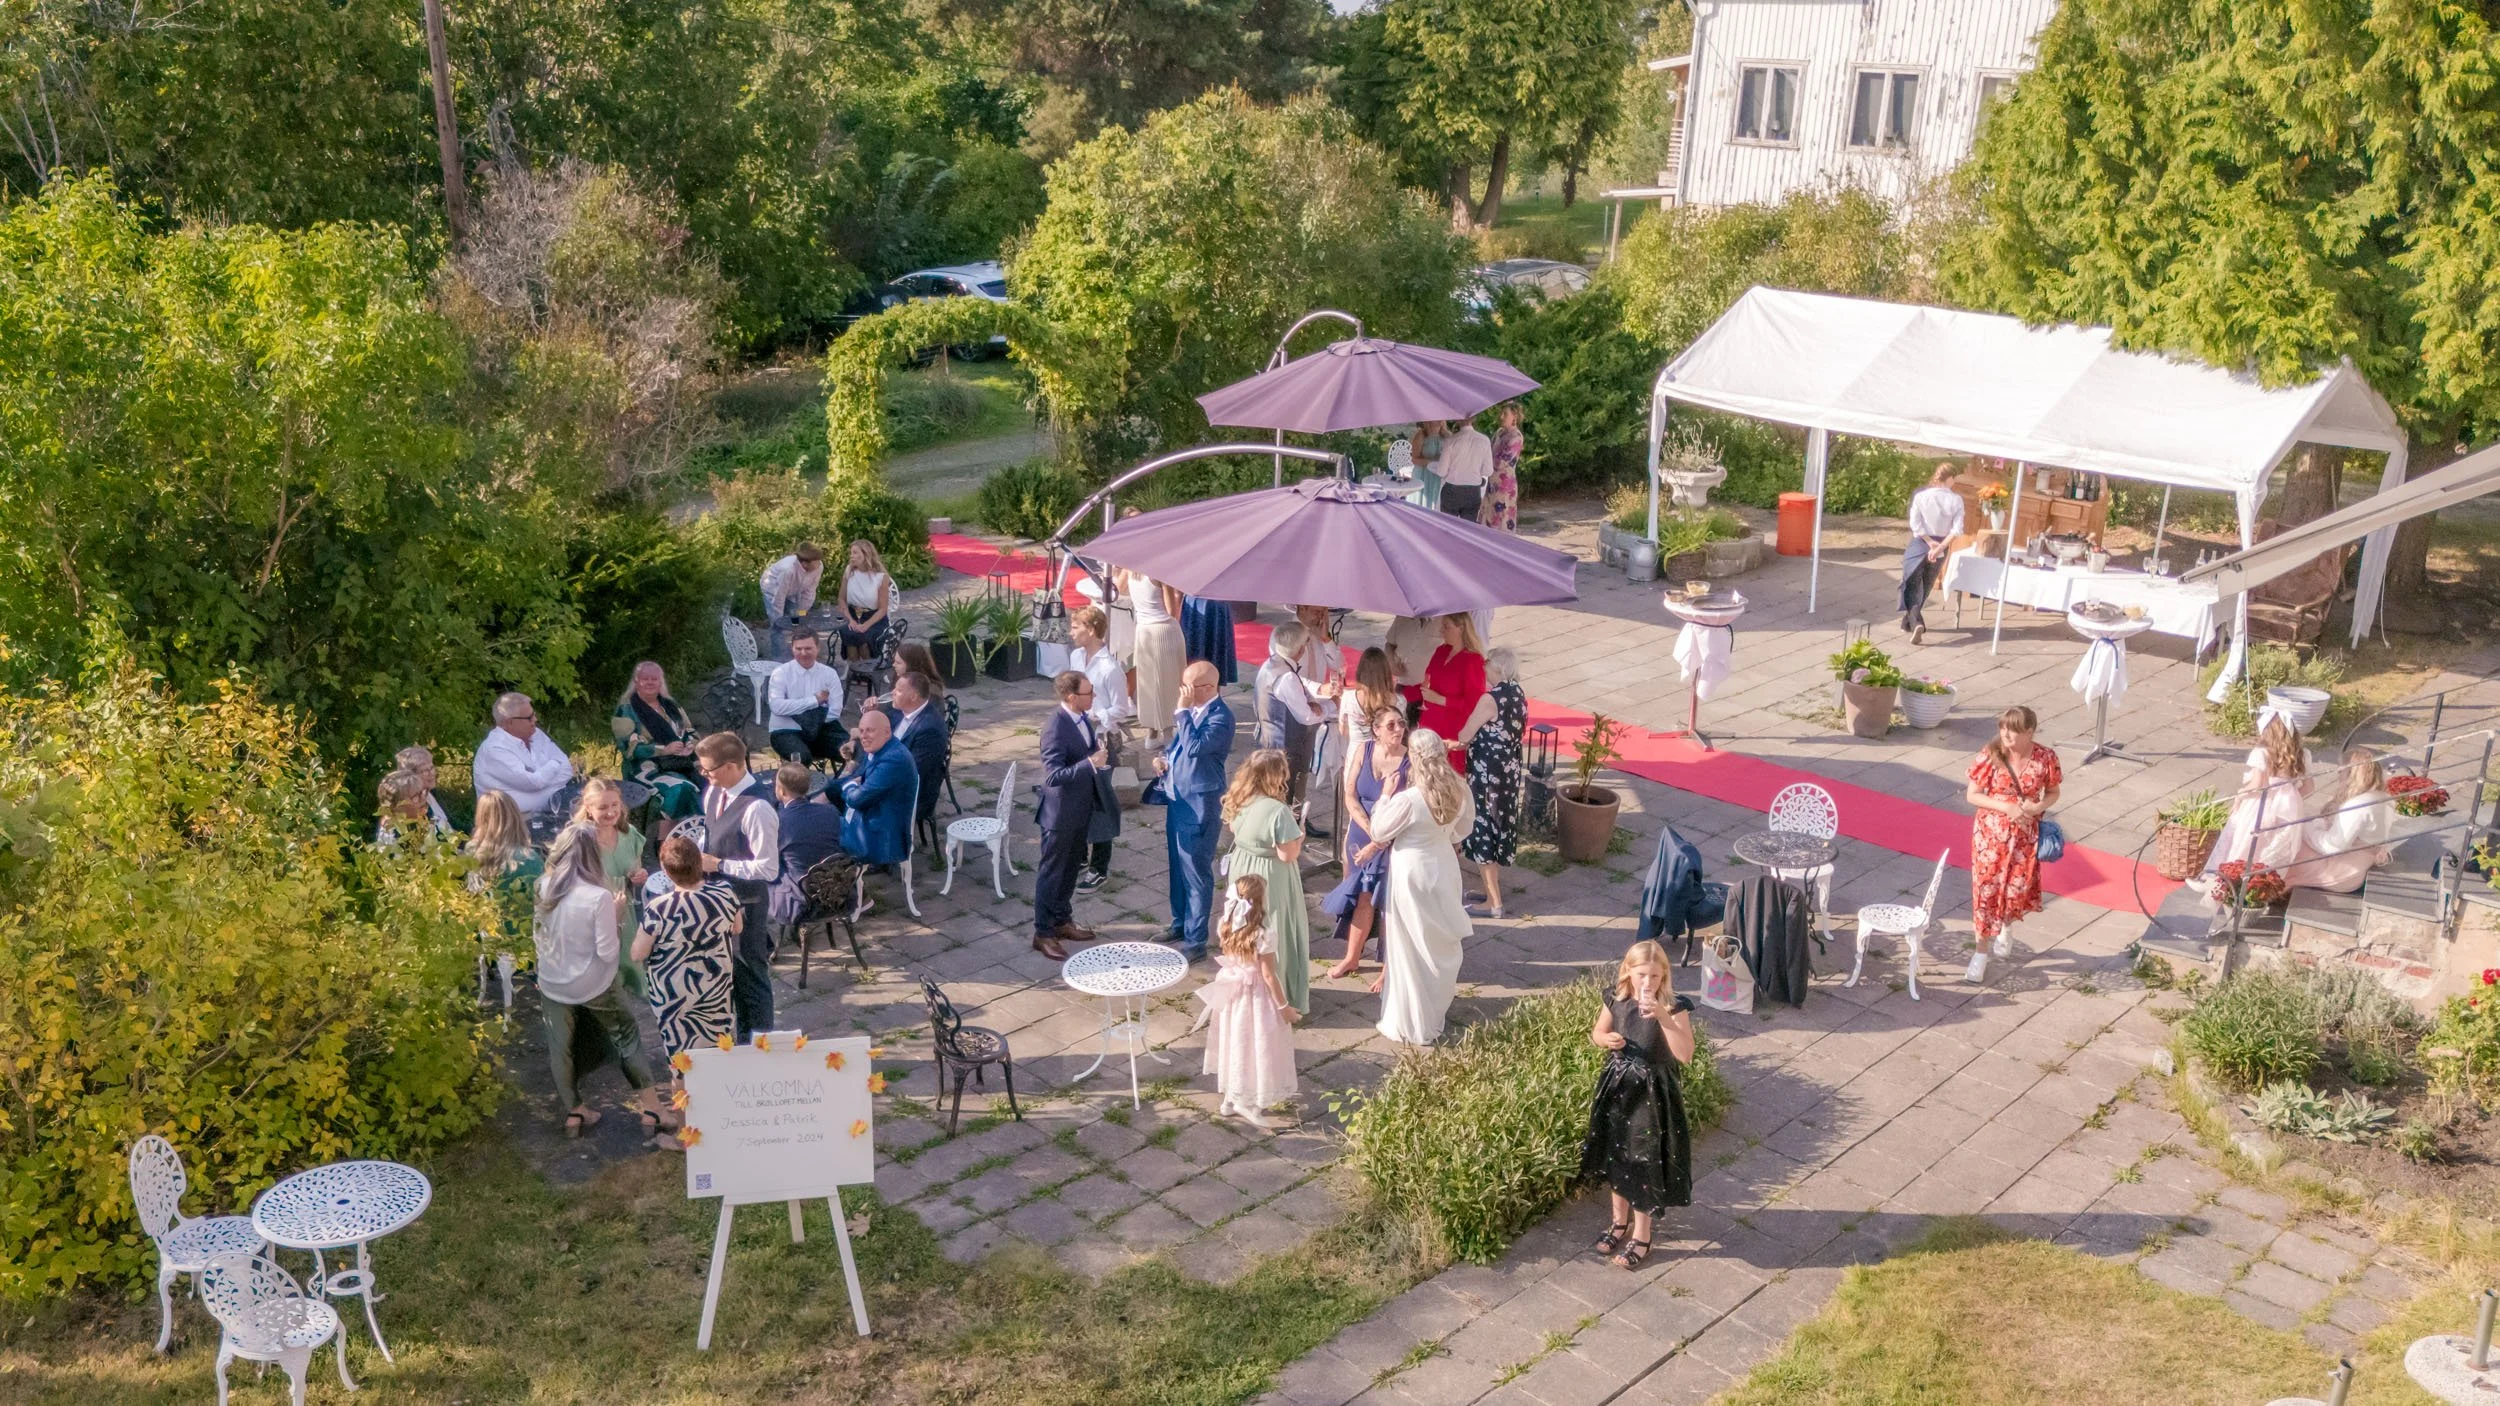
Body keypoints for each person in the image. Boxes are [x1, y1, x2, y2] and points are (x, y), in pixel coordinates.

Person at [533, 824, 666, 1140]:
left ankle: (574, 1110)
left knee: (559, 1047)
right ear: (593, 856)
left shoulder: (542, 885)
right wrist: (618, 917)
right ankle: (652, 1108)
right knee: (627, 1035)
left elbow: (539, 935)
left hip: (552, 981)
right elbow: (608, 953)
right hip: (594, 984)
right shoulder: (599, 897)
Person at [1580, 940, 1695, 1272]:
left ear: (1665, 977)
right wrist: (1606, 1040)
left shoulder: (1674, 1007)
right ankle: (1618, 1222)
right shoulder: (1616, 999)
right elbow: (1598, 1032)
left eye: (1656, 977)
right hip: (1619, 1087)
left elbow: (1684, 1054)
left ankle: (1642, 1235)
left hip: (1653, 1092)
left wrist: (1663, 1017)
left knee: (1645, 1160)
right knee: (1618, 1154)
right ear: (1627, 971)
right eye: (1642, 974)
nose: (1648, 983)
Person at [1362, 730, 1474, 1044]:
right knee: (1437, 941)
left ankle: (1409, 1019)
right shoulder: (1460, 787)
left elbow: (1378, 829)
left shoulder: (1409, 799)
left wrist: (1384, 795)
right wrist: (1441, 835)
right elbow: (1462, 829)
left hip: (1412, 873)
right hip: (1444, 868)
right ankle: (1432, 1010)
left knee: (1409, 943)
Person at [634, 835, 740, 1150]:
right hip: (716, 992)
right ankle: (723, 1124)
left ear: (666, 874)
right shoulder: (725, 894)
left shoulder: (659, 908)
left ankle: (686, 1137)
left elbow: (638, 953)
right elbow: (737, 928)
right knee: (718, 1056)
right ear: (701, 863)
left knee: (681, 1067)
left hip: (676, 1001)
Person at [1194, 874, 1302, 1130]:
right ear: (1260, 902)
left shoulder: (1225, 924)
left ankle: (1231, 1098)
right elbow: (1268, 975)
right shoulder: (1264, 935)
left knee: (1235, 1040)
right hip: (1255, 998)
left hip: (1233, 995)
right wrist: (1284, 1007)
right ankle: (1249, 1102)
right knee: (1257, 1044)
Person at [1964, 705, 2062, 984]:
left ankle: (2006, 926)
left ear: (2029, 732)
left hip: (2023, 837)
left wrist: (2037, 806)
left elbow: (2053, 791)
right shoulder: (1991, 754)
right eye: (2003, 727)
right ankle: (1980, 953)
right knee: (1986, 892)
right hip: (1989, 838)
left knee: (2014, 890)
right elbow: (1973, 795)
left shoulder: (2045, 758)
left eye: (2013, 729)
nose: (2005, 733)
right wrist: (2005, 806)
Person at [694, 731, 780, 1040]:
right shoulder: (714, 793)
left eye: (709, 769)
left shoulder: (757, 809)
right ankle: (741, 1040)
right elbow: (711, 835)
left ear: (732, 765)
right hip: (717, 901)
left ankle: (761, 1045)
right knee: (730, 977)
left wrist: (718, 865)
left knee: (752, 976)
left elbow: (769, 868)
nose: (705, 775)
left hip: (748, 903)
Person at [1154, 662, 1235, 960]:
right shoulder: (1194, 712)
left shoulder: (1221, 718)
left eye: (1188, 686)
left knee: (1197, 872)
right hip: (1178, 801)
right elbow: (1180, 747)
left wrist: (1181, 711)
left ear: (1207, 688)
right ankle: (1180, 922)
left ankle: (1196, 940)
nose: (1183, 691)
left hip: (1199, 807)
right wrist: (1164, 759)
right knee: (1177, 866)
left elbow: (1195, 747)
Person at [1324, 705, 1411, 980]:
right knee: (1362, 897)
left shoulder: (1410, 762)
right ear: (1376, 730)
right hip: (1361, 836)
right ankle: (1352, 957)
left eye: (1401, 724)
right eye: (1391, 725)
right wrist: (1368, 827)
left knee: (1388, 903)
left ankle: (1389, 966)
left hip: (1391, 841)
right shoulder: (1364, 750)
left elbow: (1407, 810)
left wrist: (1379, 838)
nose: (1399, 730)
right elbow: (1349, 794)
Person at [1223, 749, 1311, 1013]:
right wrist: (1299, 836)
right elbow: (1287, 854)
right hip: (1271, 874)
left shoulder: (1239, 798)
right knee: (1275, 928)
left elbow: (1233, 829)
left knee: (1244, 926)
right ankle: (1281, 993)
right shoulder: (1278, 811)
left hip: (1241, 867)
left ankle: (1246, 989)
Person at [1034, 671, 1109, 959]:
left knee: (1070, 870)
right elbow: (1053, 776)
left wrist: (1097, 755)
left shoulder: (1082, 718)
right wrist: (1090, 763)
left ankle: (1062, 919)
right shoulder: (1056, 726)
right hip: (1059, 815)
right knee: (1052, 873)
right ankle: (1043, 932)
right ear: (1070, 696)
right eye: (1088, 693)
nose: (1093, 697)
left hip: (1080, 810)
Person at [1459, 647, 1529, 919]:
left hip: (1487, 775)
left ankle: (1495, 903)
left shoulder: (1490, 699)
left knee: (1484, 829)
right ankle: (1491, 893)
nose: (1483, 666)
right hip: (1507, 772)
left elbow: (1466, 733)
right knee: (1498, 827)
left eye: (1487, 662)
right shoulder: (1518, 693)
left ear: (1498, 668)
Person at [2208, 713, 2313, 878]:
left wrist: (2240, 796)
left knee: (2243, 838)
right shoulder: (2303, 754)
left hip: (2262, 802)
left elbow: (2258, 785)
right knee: (2274, 845)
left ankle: (2221, 879)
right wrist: (2290, 798)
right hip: (2288, 807)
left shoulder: (2262, 753)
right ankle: (2263, 882)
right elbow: (2308, 787)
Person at [572, 778, 649, 998]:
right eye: (603, 807)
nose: (610, 812)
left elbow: (634, 867)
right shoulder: (580, 838)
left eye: (614, 805)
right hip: (592, 913)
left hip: (624, 910)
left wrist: (637, 875)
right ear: (588, 808)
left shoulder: (629, 834)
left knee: (628, 968)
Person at [2287, 748, 2396, 893]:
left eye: (2341, 771)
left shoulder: (2358, 805)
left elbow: (2331, 846)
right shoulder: (2382, 796)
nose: (2338, 774)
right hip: (2357, 862)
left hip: (2344, 872)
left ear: (2351, 774)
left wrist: (2305, 826)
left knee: (2289, 844)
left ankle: (2265, 891)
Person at [612, 662, 702, 820]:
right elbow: (627, 749)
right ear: (636, 681)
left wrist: (690, 745)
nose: (649, 682)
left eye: (654, 679)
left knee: (713, 778)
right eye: (645, 678)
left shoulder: (671, 705)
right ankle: (667, 833)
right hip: (646, 769)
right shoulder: (625, 710)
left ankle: (705, 829)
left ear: (661, 682)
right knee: (681, 789)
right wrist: (663, 750)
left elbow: (690, 731)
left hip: (682, 762)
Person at [1255, 622, 1328, 815]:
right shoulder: (1286, 677)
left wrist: (1309, 700)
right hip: (1286, 747)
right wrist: (1330, 708)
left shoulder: (1270, 665)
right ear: (1301, 649)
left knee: (1272, 794)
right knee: (1286, 795)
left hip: (1269, 740)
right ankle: (1290, 832)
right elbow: (1305, 716)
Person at [768, 762, 848, 936]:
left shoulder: (778, 821)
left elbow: (771, 859)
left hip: (799, 896)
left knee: (765, 872)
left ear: (781, 791)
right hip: (835, 889)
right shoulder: (830, 811)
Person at [837, 708, 917, 881]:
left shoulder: (892, 760)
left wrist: (849, 785)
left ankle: (842, 895)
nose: (864, 736)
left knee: (818, 836)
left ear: (887, 732)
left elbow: (856, 799)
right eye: (862, 730)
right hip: (873, 818)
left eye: (870, 730)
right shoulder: (883, 748)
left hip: (880, 837)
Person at [475, 692, 575, 814]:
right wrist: (554, 763)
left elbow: (567, 770)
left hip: (549, 811)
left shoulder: (536, 734)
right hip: (510, 822)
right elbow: (533, 783)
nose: (535, 720)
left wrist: (541, 783)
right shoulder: (495, 749)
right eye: (529, 718)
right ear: (509, 722)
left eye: (534, 715)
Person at [1901, 462, 1966, 643]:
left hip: (1921, 542)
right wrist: (1939, 547)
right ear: (1950, 478)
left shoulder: (1921, 497)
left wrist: (1929, 542)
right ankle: (1911, 621)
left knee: (1912, 583)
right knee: (1927, 584)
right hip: (1941, 544)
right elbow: (1957, 529)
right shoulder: (1956, 500)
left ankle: (1915, 622)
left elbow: (1916, 524)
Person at [881, 670, 948, 845]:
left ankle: (876, 853)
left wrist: (871, 780)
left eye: (898, 690)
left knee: (849, 799)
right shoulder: (898, 713)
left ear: (914, 696)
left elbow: (911, 772)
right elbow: (878, 739)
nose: (892, 693)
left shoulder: (929, 728)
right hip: (885, 777)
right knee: (832, 792)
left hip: (911, 794)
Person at [1418, 614, 1489, 775]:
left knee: (1449, 777)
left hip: (1452, 729)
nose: (1442, 631)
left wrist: (1441, 700)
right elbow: (1429, 674)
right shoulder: (1441, 650)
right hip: (1431, 723)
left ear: (1461, 628)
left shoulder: (1473, 660)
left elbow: (1474, 704)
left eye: (1447, 627)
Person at [767, 629, 847, 766]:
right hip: (786, 730)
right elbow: (777, 707)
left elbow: (835, 709)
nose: (803, 653)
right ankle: (802, 786)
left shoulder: (829, 674)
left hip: (823, 727)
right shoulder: (780, 673)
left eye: (808, 648)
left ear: (818, 648)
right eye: (798, 649)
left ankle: (844, 784)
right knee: (801, 758)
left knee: (853, 750)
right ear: (792, 649)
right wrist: (815, 701)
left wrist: (807, 719)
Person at [1127, 565, 1186, 741]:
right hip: (1163, 630)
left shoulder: (1131, 570)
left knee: (1147, 684)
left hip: (1143, 630)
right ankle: (1168, 733)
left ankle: (1151, 734)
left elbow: (1121, 589)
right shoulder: (1160, 573)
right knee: (1168, 683)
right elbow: (1172, 611)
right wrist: (1179, 593)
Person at [761, 541, 827, 658]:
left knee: (797, 621)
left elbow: (809, 592)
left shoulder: (818, 567)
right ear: (804, 563)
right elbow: (779, 597)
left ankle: (797, 654)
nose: (819, 563)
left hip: (794, 590)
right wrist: (778, 619)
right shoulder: (788, 570)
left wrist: (801, 612)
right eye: (816, 561)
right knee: (778, 626)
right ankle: (779, 660)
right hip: (773, 589)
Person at [833, 540, 893, 664]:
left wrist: (866, 625)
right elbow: (841, 599)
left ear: (866, 554)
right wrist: (850, 620)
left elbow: (883, 609)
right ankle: (855, 671)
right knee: (849, 634)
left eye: (855, 553)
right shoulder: (849, 571)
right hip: (853, 616)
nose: (851, 556)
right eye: (851, 553)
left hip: (874, 619)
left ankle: (868, 672)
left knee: (865, 640)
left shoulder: (881, 577)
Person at [1437, 415, 1493, 521]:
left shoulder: (1451, 440)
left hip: (1452, 490)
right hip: (1473, 491)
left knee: (1448, 529)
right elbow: (1488, 471)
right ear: (1474, 418)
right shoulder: (1484, 440)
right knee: (1467, 529)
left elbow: (1441, 471)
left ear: (1457, 420)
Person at [395, 745, 455, 833]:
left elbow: (453, 824)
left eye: (431, 768)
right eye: (425, 771)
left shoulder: (431, 794)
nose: (431, 773)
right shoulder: (409, 805)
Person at [1385, 615, 1435, 719]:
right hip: (1400, 687)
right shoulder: (1403, 617)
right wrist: (1391, 662)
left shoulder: (1444, 621)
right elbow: (1389, 644)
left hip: (1430, 693)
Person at [1483, 402, 1523, 532]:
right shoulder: (1499, 433)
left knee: (1502, 517)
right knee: (1489, 514)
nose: (1501, 417)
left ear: (1514, 416)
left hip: (1505, 485)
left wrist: (1485, 461)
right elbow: (1488, 451)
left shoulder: (1516, 437)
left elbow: (1502, 462)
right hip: (1492, 482)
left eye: (1505, 414)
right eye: (1501, 413)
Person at [375, 770, 431, 848]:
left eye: (423, 792)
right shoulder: (396, 837)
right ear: (395, 807)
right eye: (416, 796)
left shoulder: (422, 818)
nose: (423, 798)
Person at [1411, 420, 1447, 511]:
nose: (1440, 420)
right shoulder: (1421, 435)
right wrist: (1430, 462)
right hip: (1423, 475)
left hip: (1439, 475)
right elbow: (1414, 459)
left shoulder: (1446, 435)